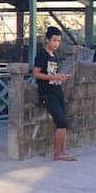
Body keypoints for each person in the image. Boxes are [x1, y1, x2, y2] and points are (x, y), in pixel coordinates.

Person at [32, 26, 76, 161]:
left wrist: (59, 77)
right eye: (54, 40)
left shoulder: (55, 56)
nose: (56, 43)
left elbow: (52, 74)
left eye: (58, 41)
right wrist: (54, 77)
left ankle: (62, 151)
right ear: (48, 40)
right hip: (47, 93)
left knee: (64, 122)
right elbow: (36, 74)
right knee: (61, 121)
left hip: (57, 90)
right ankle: (58, 153)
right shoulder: (42, 55)